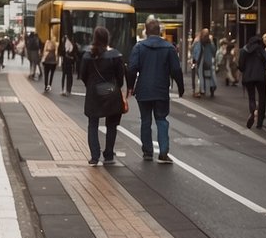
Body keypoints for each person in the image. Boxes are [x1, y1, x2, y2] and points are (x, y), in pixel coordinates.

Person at [127, 16, 185, 162]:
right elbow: (176, 70)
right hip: (161, 90)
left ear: (146, 31)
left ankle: (147, 152)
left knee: (145, 120)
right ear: (160, 32)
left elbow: (132, 68)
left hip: (144, 90)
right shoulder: (169, 48)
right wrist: (181, 88)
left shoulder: (139, 47)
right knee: (161, 119)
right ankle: (164, 151)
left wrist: (130, 86)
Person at [80, 25, 126, 166]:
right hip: (110, 90)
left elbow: (83, 75)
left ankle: (95, 156)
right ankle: (109, 154)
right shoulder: (115, 55)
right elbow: (120, 77)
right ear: (107, 38)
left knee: (92, 123)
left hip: (94, 91)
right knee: (112, 123)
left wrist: (91, 85)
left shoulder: (88, 55)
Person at [238, 31, 266, 129]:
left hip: (248, 77)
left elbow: (241, 66)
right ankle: (259, 122)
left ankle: (253, 111)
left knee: (251, 97)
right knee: (262, 97)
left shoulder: (244, 50)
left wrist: (244, 69)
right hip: (261, 76)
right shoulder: (261, 49)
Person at [191, 29, 217, 97]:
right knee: (206, 75)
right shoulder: (207, 42)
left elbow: (194, 51)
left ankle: (203, 89)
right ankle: (209, 88)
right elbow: (214, 51)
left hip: (202, 60)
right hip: (204, 60)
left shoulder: (199, 41)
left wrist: (194, 59)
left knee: (202, 75)